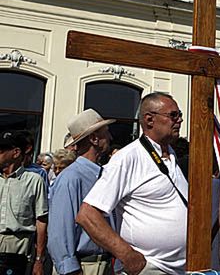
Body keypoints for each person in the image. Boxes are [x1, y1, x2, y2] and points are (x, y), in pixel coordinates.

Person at [77, 92, 187, 275]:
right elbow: (87, 215)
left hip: (180, 269)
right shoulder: (128, 158)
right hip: (150, 268)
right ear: (149, 119)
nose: (180, 120)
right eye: (173, 115)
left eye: (180, 114)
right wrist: (127, 255)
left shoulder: (173, 155)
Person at [48, 109, 115, 275]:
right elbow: (59, 232)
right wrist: (70, 269)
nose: (111, 138)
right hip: (84, 266)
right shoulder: (71, 178)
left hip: (100, 263)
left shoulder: (100, 174)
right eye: (106, 133)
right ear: (94, 139)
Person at [0, 130, 48, 275]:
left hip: (19, 245)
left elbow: (42, 220)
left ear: (15, 153)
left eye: (1, 150)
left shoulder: (34, 180)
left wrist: (39, 260)